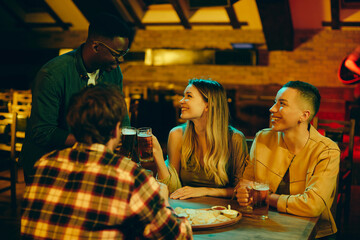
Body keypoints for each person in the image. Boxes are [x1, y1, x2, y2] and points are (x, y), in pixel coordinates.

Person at [21, 84, 193, 239]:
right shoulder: (129, 175)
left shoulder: (43, 165)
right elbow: (177, 236)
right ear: (115, 130)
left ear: (72, 124)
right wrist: (163, 201)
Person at [20, 12, 132, 184]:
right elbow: (42, 132)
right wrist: (96, 142)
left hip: (87, 163)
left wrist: (126, 138)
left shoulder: (114, 72)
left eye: (125, 53)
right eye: (117, 54)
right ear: (96, 47)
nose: (121, 60)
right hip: (46, 167)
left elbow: (121, 115)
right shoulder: (52, 75)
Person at [235, 81, 340, 239]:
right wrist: (242, 193)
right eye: (274, 102)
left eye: (282, 104)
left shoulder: (327, 151)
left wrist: (264, 197)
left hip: (314, 232)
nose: (272, 109)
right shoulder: (263, 138)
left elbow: (312, 206)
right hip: (263, 225)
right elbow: (245, 183)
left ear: (304, 115)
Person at [155, 79, 248, 199]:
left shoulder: (235, 138)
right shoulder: (177, 135)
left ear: (208, 105)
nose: (181, 101)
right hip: (186, 208)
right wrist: (157, 154)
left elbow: (241, 191)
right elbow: (172, 188)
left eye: (189, 96)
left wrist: (204, 191)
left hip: (222, 211)